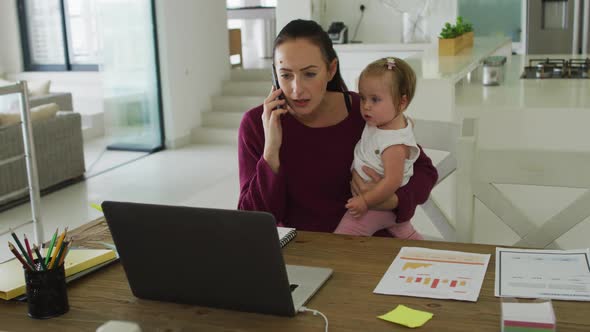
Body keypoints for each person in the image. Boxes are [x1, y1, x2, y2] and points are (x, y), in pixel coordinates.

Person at [238, 19, 438, 236]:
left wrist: (393, 200)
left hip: (374, 247)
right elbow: (251, 222)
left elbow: (425, 172)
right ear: (276, 73)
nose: (297, 90)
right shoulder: (256, 124)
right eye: (286, 75)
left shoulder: (363, 111)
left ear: (331, 69)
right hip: (303, 253)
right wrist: (271, 152)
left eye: (310, 74)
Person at [333, 57, 423, 239]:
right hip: (380, 204)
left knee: (344, 237)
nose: (365, 105)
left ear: (402, 103)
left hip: (375, 205)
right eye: (363, 97)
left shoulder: (394, 145)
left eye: (375, 99)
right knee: (405, 233)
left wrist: (365, 201)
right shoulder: (383, 121)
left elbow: (392, 181)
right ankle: (423, 252)